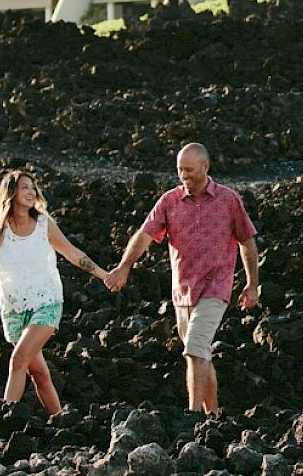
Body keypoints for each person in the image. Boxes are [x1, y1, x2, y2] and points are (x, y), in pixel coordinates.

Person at [105, 143, 260, 413]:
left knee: (194, 349)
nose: (184, 175)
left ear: (205, 167)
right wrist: (124, 266)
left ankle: (193, 416)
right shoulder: (169, 201)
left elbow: (247, 241)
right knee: (201, 354)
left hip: (216, 286)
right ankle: (213, 418)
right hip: (182, 291)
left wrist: (252, 284)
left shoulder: (228, 200)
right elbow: (144, 235)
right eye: (180, 170)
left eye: (189, 170)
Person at [0, 170, 110, 414]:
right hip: (13, 310)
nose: (31, 192)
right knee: (39, 374)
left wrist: (103, 274)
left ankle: (4, 419)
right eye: (25, 187)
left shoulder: (44, 223)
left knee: (18, 360)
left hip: (47, 302)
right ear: (11, 193)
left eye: (33, 187)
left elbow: (72, 253)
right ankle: (60, 419)